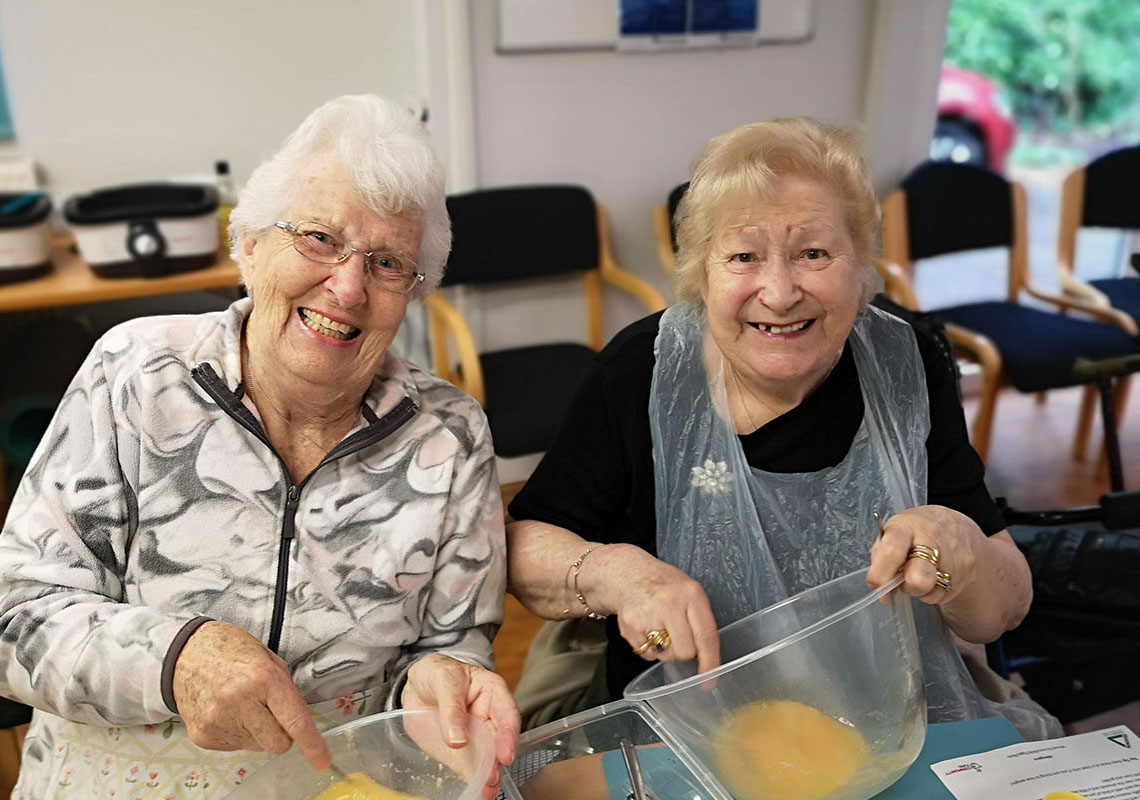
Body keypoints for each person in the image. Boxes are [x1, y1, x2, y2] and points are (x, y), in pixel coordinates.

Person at [0, 95, 519, 799]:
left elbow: (450, 644)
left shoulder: (450, 437)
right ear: (249, 243)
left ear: (414, 291)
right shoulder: (134, 373)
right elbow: (16, 614)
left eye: (388, 262)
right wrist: (174, 659)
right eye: (319, 238)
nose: (348, 286)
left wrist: (438, 681)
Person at [506, 117, 1062, 740]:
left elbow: (1004, 608)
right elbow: (524, 544)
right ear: (701, 273)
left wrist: (962, 547)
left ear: (861, 265)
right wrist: (615, 572)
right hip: (684, 726)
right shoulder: (642, 371)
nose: (779, 291)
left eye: (813, 253)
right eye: (743, 256)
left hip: (891, 717)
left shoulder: (909, 362)